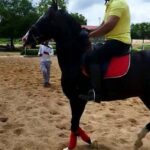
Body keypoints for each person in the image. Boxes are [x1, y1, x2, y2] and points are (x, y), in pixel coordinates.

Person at [81, 0, 131, 102]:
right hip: (112, 41)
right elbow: (103, 24)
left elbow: (109, 25)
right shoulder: (110, 5)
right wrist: (88, 30)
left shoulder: (118, 3)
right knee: (93, 50)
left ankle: (97, 93)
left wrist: (90, 35)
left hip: (119, 41)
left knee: (92, 57)